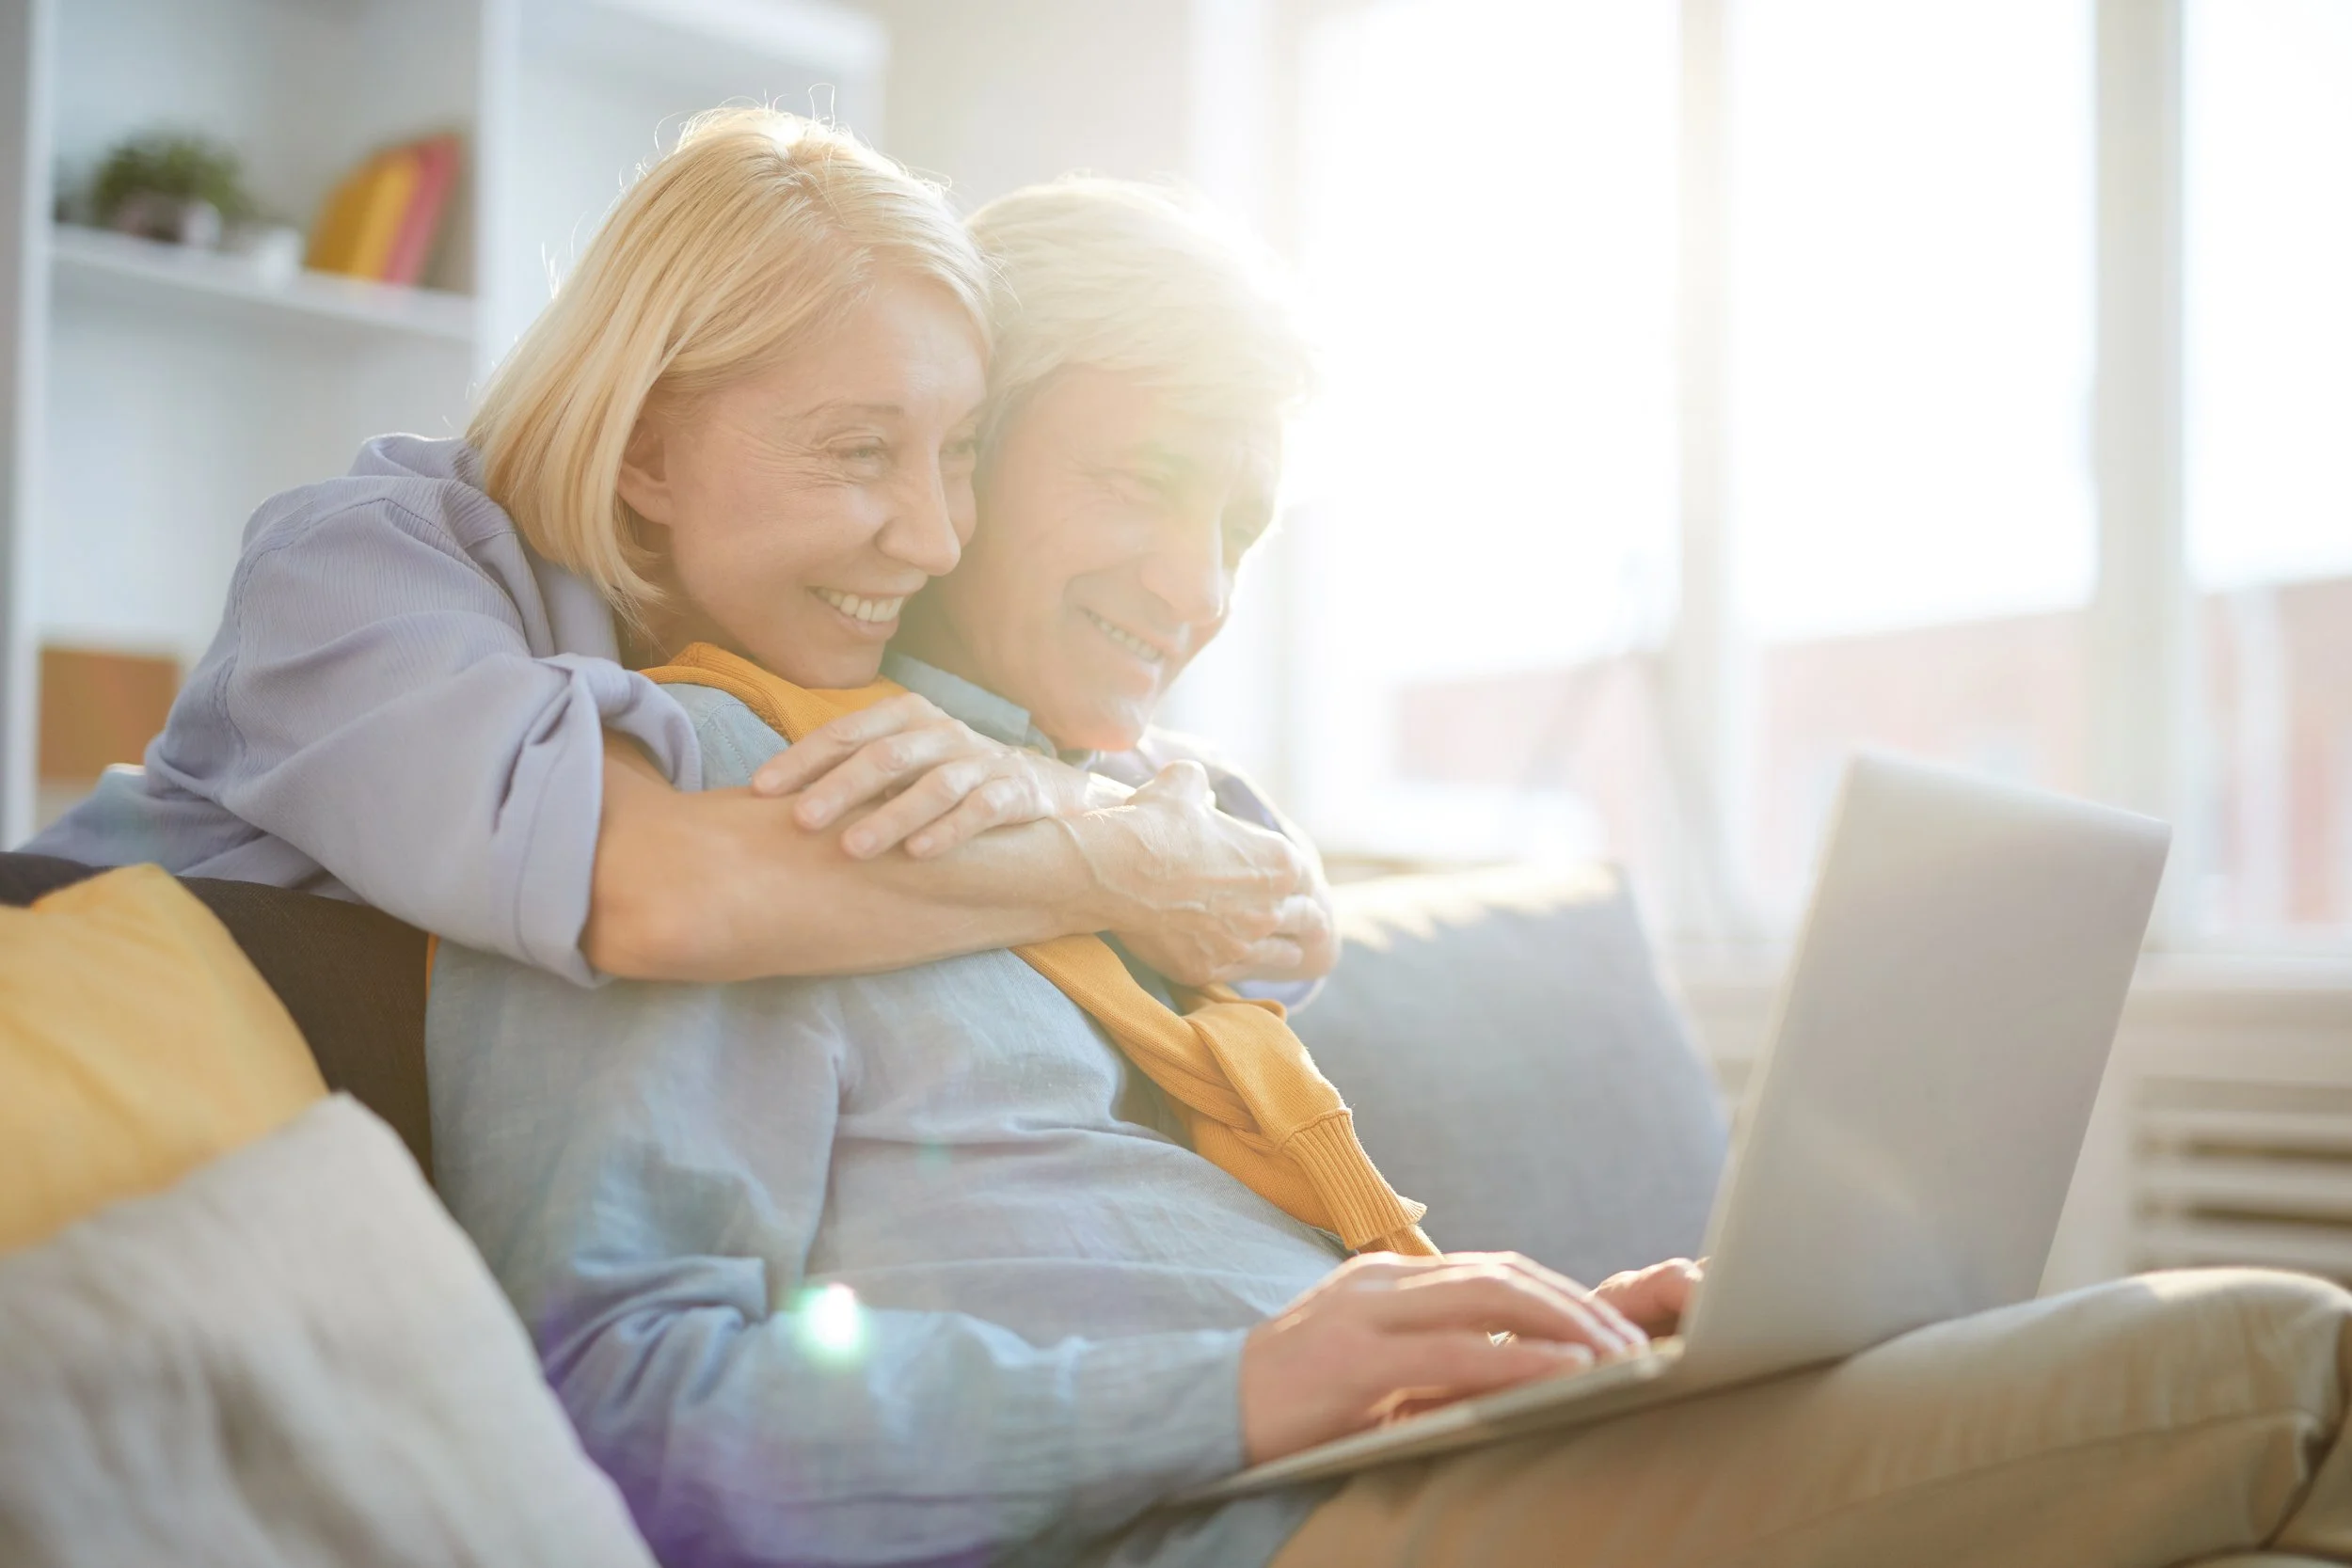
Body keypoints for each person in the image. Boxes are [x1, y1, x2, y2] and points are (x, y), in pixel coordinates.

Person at [427, 167, 2352, 1568]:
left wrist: (1533, 1341)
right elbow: (619, 1403)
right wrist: (1248, 1390)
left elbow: (1244, 995)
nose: (1193, 591)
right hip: (1229, 1524)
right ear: (954, 460)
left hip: (1386, 1473)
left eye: (1238, 524)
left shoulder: (1136, 857)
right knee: (2272, 1363)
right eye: (1140, 481)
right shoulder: (717, 796)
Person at [24, 112, 1329, 995]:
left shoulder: (830, 636)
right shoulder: (361, 568)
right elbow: (654, 893)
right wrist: (1124, 865)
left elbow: (1278, 909)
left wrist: (1078, 800)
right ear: (646, 453)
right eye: (862, 449)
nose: (934, 535)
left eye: (954, 453)